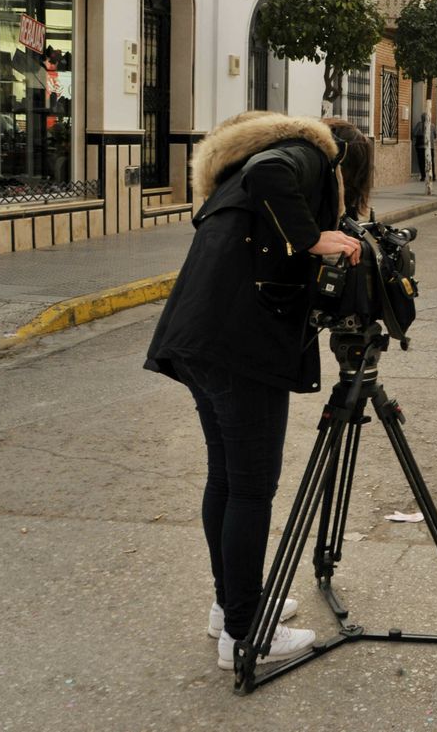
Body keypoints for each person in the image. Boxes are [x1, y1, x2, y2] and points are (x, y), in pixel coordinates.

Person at [144, 111, 373, 672]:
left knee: (226, 478)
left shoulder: (239, 165)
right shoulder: (306, 155)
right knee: (251, 488)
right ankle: (247, 634)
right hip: (236, 347)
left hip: (198, 339)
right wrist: (316, 236)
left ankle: (231, 608)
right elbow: (277, 180)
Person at [411, 112, 429, 182]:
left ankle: (423, 176)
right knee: (428, 161)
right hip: (428, 146)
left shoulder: (419, 124)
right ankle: (430, 175)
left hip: (420, 146)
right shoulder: (431, 125)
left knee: (421, 161)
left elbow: (414, 133)